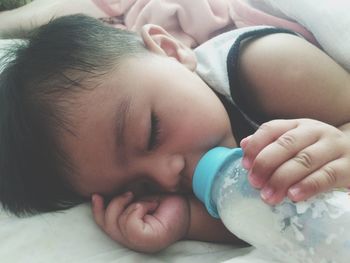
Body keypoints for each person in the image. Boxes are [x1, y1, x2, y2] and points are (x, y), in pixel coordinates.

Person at [1, 14, 350, 253]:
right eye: (141, 188)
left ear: (170, 51)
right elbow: (274, 220)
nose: (168, 178)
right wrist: (186, 222)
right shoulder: (183, 180)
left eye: (152, 132)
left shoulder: (271, 66)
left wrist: (342, 145)